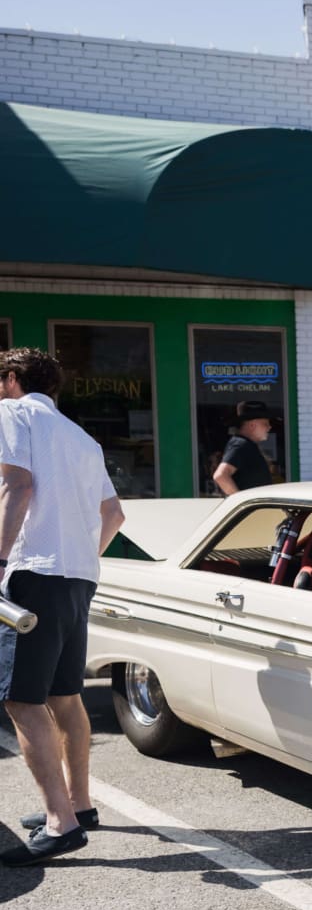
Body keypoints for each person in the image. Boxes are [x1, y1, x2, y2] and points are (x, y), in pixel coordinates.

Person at [0, 348, 125, 865]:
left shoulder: (11, 413)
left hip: (35, 573)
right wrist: (76, 557)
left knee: (22, 700)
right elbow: (114, 515)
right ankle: (81, 804)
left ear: (10, 380)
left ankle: (61, 822)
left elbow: (17, 485)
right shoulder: (83, 438)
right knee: (65, 696)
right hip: (78, 577)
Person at [213, 400, 276, 495]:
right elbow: (221, 476)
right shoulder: (240, 445)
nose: (269, 427)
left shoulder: (247, 445)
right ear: (252, 425)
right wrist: (239, 501)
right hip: (252, 509)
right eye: (265, 423)